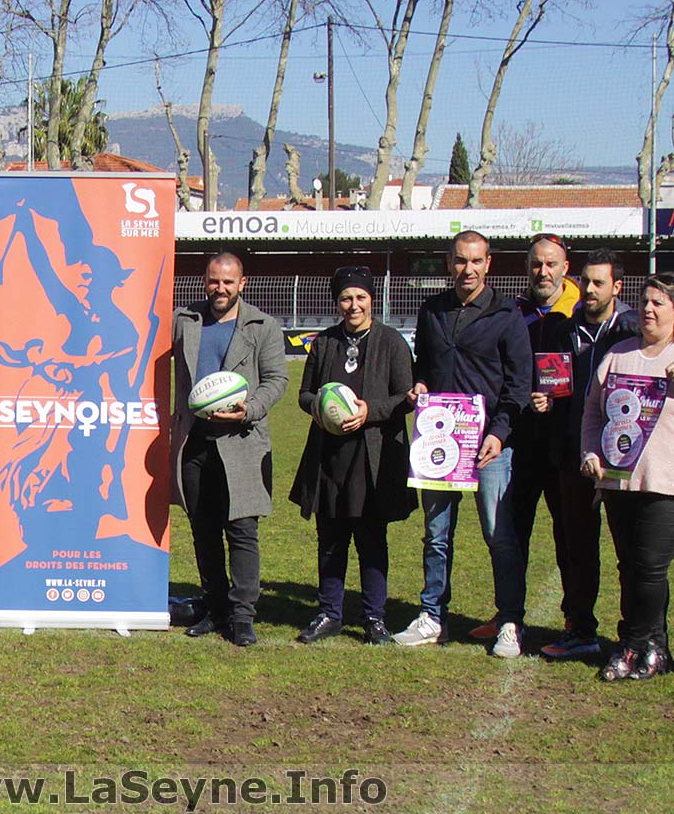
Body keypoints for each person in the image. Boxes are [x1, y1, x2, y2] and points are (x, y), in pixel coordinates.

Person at [580, 272, 674, 682]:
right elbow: (594, 410)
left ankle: (630, 644)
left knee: (650, 566)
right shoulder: (619, 355)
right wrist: (590, 452)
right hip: (620, 480)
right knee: (630, 568)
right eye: (645, 302)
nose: (648, 310)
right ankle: (656, 647)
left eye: (658, 303)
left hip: (671, 482)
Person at [394, 231, 530, 657]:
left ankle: (509, 621)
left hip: (489, 446)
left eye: (475, 261)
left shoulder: (507, 314)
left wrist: (499, 433)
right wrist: (419, 385)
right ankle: (432, 616)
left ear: (488, 264)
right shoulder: (432, 310)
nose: (467, 269)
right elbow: (424, 366)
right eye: (459, 261)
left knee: (498, 535)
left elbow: (519, 384)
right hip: (439, 442)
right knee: (436, 534)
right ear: (448, 263)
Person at [288, 267, 416, 646]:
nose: (353, 305)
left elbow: (405, 397)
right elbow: (305, 394)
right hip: (329, 456)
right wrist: (322, 408)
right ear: (337, 302)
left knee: (371, 539)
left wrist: (368, 411)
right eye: (346, 298)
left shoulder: (391, 342)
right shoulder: (325, 342)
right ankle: (329, 613)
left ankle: (374, 618)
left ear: (372, 300)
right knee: (330, 539)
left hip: (372, 457)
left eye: (360, 297)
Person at [171, 252, 289, 648]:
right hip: (194, 442)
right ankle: (215, 608)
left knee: (241, 530)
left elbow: (277, 379)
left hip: (241, 442)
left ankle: (242, 616)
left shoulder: (262, 326)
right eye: (213, 281)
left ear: (242, 284)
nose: (220, 289)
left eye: (228, 282)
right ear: (204, 281)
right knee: (203, 530)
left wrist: (249, 409)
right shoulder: (185, 320)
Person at [471, 233, 581, 642]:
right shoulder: (514, 312)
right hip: (518, 442)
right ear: (526, 268)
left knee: (568, 535)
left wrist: (561, 402)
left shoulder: (580, 314)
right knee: (510, 533)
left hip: (565, 444)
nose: (543, 271)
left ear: (565, 268)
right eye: (536, 264)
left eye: (551, 264)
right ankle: (508, 615)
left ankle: (575, 621)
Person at [534, 248, 638, 661]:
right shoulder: (563, 330)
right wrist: (546, 400)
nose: (590, 290)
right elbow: (554, 385)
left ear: (617, 287)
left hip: (622, 458)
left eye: (599, 283)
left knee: (632, 552)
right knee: (575, 547)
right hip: (574, 455)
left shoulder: (631, 330)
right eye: (585, 281)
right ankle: (579, 628)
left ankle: (635, 635)